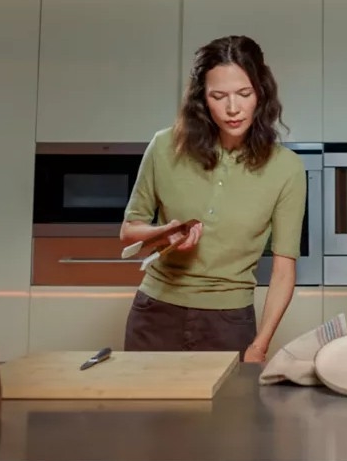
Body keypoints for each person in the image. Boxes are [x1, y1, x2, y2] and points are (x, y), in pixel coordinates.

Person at [121, 35, 306, 363]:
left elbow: (283, 270)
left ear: (261, 93)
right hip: (154, 314)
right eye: (218, 96)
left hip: (229, 323)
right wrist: (163, 234)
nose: (233, 108)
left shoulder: (287, 169)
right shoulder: (164, 146)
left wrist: (260, 345)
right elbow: (130, 230)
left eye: (244, 94)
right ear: (202, 99)